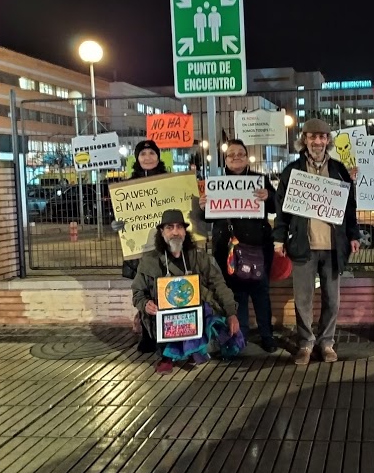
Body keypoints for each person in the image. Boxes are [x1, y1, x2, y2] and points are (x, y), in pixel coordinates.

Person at [272, 118, 361, 365]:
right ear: (304, 139)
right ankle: (306, 343)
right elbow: (282, 210)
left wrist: (353, 234)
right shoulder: (292, 171)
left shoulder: (339, 170)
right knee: (303, 300)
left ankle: (327, 342)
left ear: (328, 141)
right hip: (303, 246)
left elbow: (350, 207)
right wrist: (279, 238)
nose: (317, 142)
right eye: (312, 137)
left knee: (332, 299)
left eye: (322, 137)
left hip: (333, 247)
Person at [131, 209, 242, 374]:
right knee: (161, 314)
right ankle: (166, 357)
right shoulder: (149, 262)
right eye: (170, 227)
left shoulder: (198, 257)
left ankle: (193, 349)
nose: (175, 232)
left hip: (193, 313)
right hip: (164, 316)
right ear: (162, 232)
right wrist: (146, 304)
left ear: (185, 231)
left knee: (207, 307)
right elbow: (137, 293)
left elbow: (219, 284)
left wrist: (232, 313)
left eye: (179, 227)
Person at [197, 139, 278, 353]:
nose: (236, 157)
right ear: (225, 159)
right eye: (231, 154)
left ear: (247, 157)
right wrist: (203, 206)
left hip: (258, 247)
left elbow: (275, 207)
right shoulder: (215, 183)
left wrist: (269, 196)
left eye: (240, 153)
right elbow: (207, 218)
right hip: (227, 248)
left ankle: (267, 335)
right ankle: (239, 335)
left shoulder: (260, 180)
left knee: (261, 293)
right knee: (235, 294)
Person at [117, 140, 169, 353]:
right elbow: (122, 214)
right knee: (145, 290)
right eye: (143, 153)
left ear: (158, 156)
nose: (148, 157)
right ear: (136, 158)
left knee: (165, 289)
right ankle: (148, 334)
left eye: (151, 153)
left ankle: (167, 334)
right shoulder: (128, 186)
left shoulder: (169, 181)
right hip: (140, 248)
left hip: (164, 246)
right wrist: (117, 224)